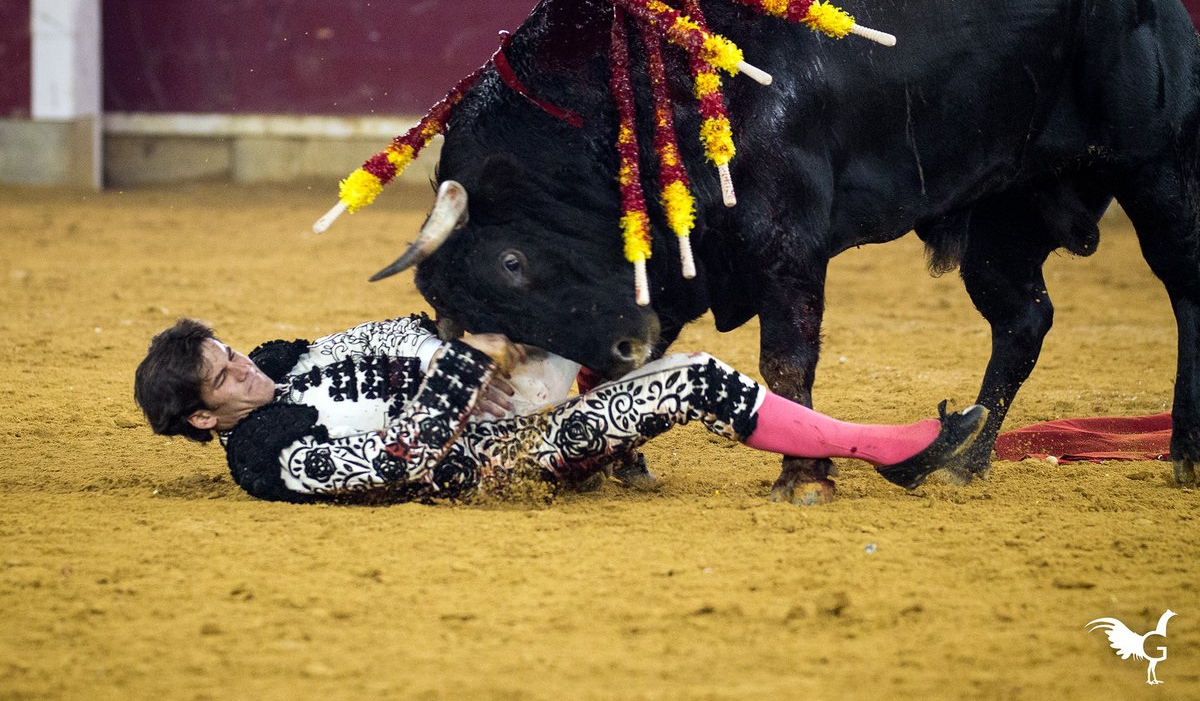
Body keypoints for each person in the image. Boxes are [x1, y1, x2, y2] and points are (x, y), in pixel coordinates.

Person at [133, 314, 985, 503]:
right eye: (223, 379)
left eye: (228, 350)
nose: (243, 367)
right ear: (206, 420)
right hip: (515, 453)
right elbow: (397, 464)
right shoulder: (266, 459)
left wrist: (456, 350)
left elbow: (397, 329)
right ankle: (879, 448)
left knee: (579, 299)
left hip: (494, 391)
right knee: (691, 376)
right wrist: (464, 373)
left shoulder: (283, 362)